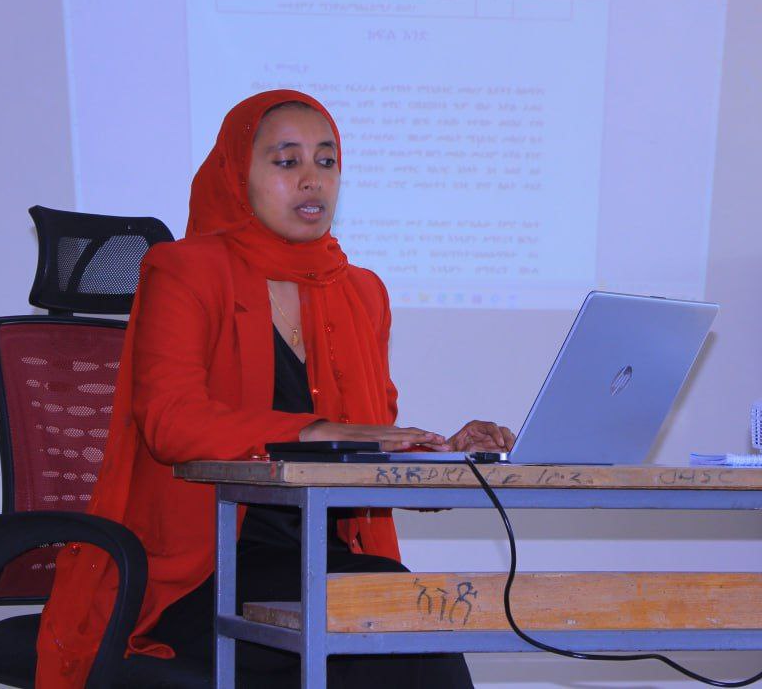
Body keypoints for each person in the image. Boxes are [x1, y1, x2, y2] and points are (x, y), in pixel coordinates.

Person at [36, 90, 514, 688]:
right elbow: (170, 421)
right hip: (203, 573)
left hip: (322, 558)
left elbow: (362, 439)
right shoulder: (185, 271)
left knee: (416, 628)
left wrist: (439, 452)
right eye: (287, 161)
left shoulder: (361, 292)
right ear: (238, 175)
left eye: (326, 161)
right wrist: (311, 430)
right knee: (387, 643)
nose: (312, 179)